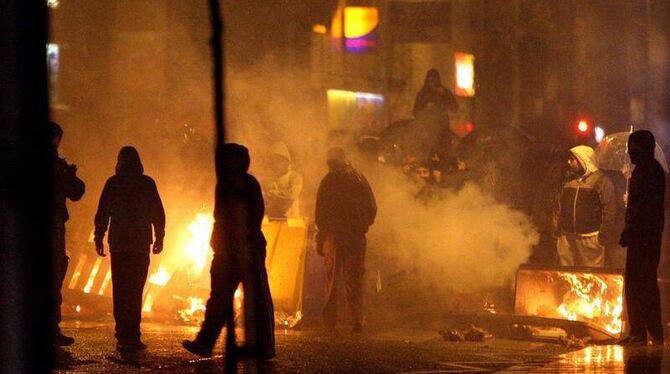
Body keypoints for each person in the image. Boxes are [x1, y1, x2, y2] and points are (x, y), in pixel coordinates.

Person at [183, 143, 275, 360]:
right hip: (228, 250)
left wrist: (232, 240)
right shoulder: (225, 184)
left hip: (245, 250)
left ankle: (264, 348)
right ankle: (205, 343)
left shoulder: (246, 184)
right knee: (221, 299)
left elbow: (251, 217)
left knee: (255, 298)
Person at [94, 146, 165, 352]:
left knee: (121, 289)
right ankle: (132, 335)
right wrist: (159, 238)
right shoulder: (147, 183)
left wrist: (99, 238)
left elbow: (103, 214)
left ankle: (122, 334)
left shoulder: (113, 183)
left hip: (119, 246)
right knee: (135, 290)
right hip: (140, 247)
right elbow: (158, 215)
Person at [316, 147, 377, 333]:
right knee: (351, 280)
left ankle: (334, 322)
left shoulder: (333, 180)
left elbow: (320, 212)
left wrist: (323, 234)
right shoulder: (356, 178)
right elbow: (371, 207)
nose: (330, 166)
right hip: (348, 235)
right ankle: (354, 321)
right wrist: (363, 225)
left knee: (337, 280)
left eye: (331, 162)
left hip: (340, 235)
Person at [618, 130, 665, 345]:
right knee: (641, 282)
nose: (630, 153)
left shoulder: (651, 172)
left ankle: (642, 329)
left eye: (633, 149)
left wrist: (630, 229)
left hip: (645, 236)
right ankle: (647, 329)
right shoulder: (641, 171)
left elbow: (646, 208)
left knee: (640, 283)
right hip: (642, 235)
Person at [50, 121, 85, 346]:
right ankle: (51, 329)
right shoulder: (56, 165)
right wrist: (69, 174)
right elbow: (76, 191)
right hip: (51, 225)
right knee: (53, 277)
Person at [555, 145, 617, 267]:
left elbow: (609, 210)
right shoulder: (569, 180)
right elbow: (560, 205)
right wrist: (558, 230)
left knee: (591, 273)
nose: (569, 162)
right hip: (567, 237)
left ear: (583, 160)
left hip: (590, 238)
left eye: (572, 159)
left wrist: (602, 236)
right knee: (566, 273)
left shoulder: (602, 181)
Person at [265, 142, 303, 219]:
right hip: (273, 219)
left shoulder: (295, 177)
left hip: (291, 220)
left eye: (278, 160)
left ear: (286, 161)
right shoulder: (271, 178)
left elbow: (292, 195)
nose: (275, 164)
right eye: (273, 160)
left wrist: (274, 194)